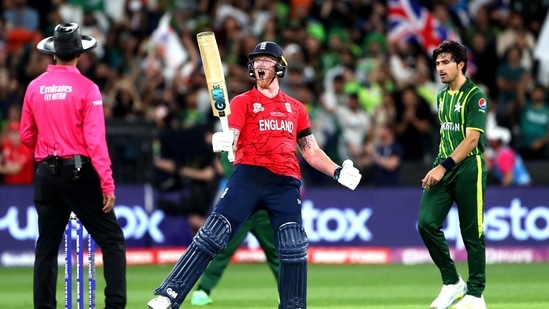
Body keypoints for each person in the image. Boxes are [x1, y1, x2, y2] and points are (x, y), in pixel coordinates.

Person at [147, 41, 362, 309]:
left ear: (280, 67)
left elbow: (310, 150)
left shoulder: (296, 108)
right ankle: (169, 294)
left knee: (293, 247)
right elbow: (233, 134)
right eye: (256, 60)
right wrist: (224, 140)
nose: (260, 65)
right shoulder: (242, 102)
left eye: (267, 60)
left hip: (285, 183)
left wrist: (337, 171)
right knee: (212, 235)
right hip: (248, 176)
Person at [19, 23, 126, 309]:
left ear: (53, 53)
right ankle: (115, 305)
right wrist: (107, 183)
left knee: (47, 246)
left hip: (46, 174)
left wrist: (46, 154)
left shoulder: (34, 87)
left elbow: (26, 136)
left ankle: (43, 306)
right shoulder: (87, 88)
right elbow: (95, 141)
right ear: (80, 53)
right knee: (112, 239)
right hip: (80, 173)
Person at [417, 40, 488, 309]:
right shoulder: (441, 96)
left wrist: (442, 166)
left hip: (470, 167)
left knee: (472, 233)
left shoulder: (475, 96)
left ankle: (476, 294)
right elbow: (447, 135)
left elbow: (471, 140)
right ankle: (452, 281)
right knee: (425, 223)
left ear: (461, 64)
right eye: (437, 63)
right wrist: (439, 164)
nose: (440, 68)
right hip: (444, 166)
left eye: (446, 62)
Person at [191, 152, 280, 306]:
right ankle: (202, 290)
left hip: (262, 211)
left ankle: (287, 291)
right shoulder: (233, 147)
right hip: (241, 209)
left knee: (277, 252)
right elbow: (229, 172)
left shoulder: (266, 141)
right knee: (223, 249)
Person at [0, 120, 34, 184]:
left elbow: (15, 169)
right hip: (7, 186)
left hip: (23, 187)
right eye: (11, 133)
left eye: (16, 133)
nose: (13, 136)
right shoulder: (6, 145)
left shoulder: (25, 149)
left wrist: (1, 168)